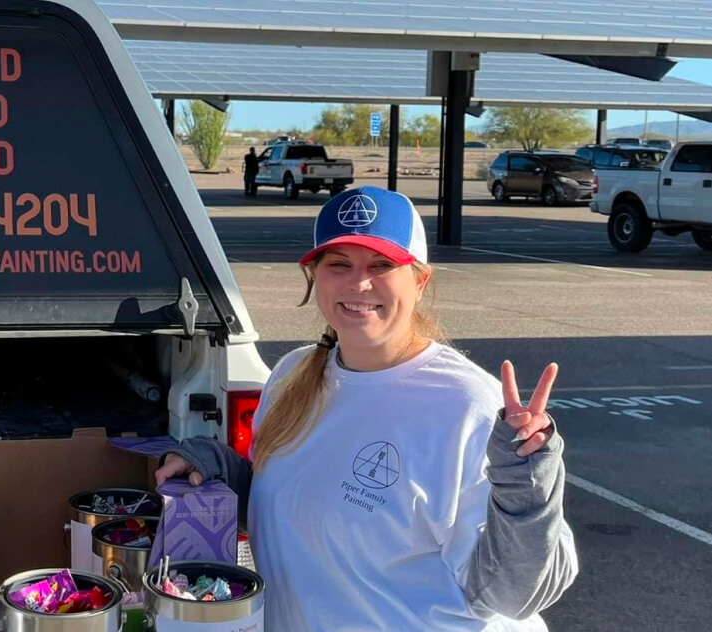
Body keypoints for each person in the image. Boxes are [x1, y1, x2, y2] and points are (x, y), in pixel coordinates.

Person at [156, 186, 578, 631]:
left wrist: (526, 490)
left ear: (419, 280)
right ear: (314, 275)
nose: (359, 283)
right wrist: (220, 467)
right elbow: (295, 508)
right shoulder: (292, 376)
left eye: (381, 265)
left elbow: (515, 596)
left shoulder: (466, 405)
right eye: (339, 264)